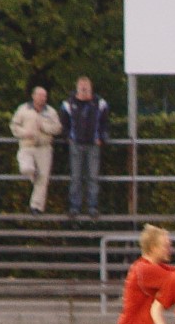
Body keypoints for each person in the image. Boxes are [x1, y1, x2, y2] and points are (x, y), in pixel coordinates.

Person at [60, 75, 109, 221]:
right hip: (76, 144)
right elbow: (64, 124)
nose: (84, 91)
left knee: (93, 177)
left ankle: (92, 206)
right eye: (82, 88)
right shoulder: (68, 104)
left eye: (86, 88)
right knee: (76, 177)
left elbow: (105, 123)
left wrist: (102, 138)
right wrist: (68, 137)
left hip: (93, 144)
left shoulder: (100, 103)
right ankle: (74, 207)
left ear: (91, 88)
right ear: (77, 88)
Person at [10, 86, 62, 215]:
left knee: (43, 178)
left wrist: (44, 127)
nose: (42, 98)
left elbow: (58, 128)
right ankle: (33, 176)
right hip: (27, 146)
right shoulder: (23, 109)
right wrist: (24, 133)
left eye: (44, 96)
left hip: (44, 147)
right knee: (27, 169)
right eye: (39, 95)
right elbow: (14, 125)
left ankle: (36, 207)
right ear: (33, 96)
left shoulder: (51, 111)